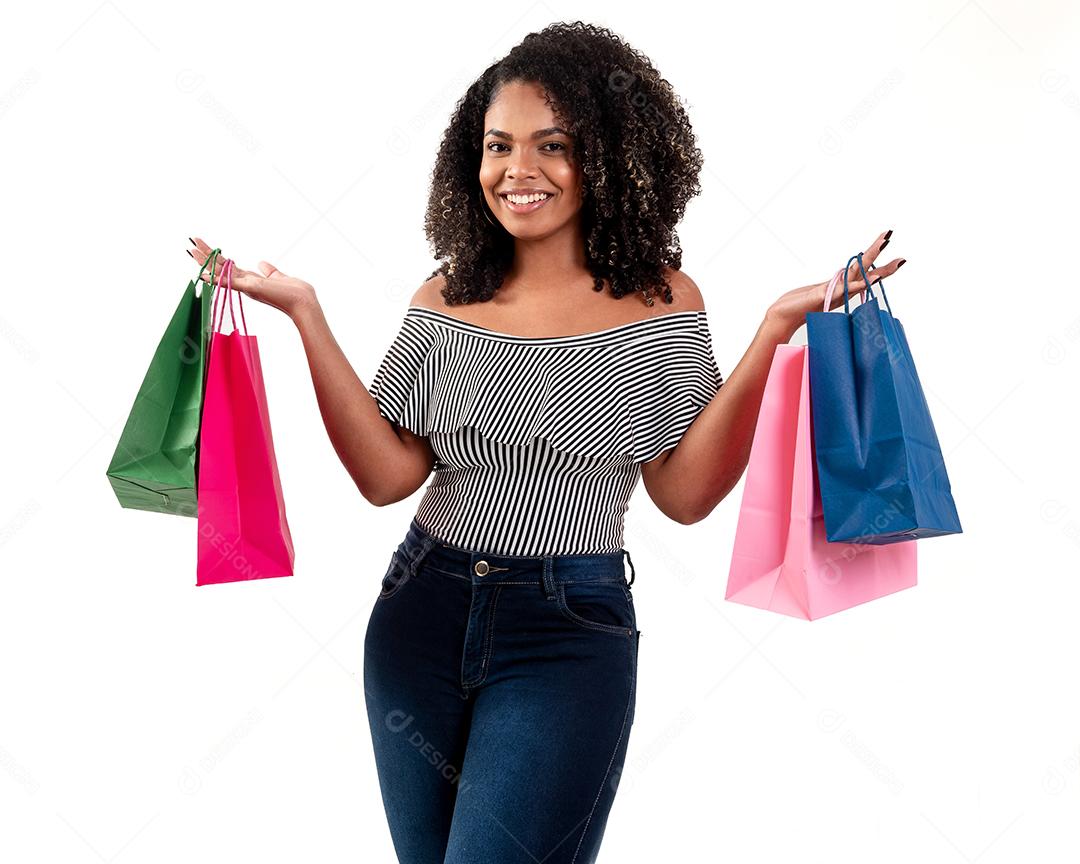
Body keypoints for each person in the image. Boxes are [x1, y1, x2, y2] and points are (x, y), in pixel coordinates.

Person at [188, 20, 906, 864]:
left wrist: (777, 329)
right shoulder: (447, 297)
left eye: (552, 145)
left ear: (607, 158)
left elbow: (684, 495)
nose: (517, 171)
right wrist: (306, 314)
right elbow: (387, 478)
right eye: (498, 146)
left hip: (566, 629)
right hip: (419, 607)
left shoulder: (660, 304)